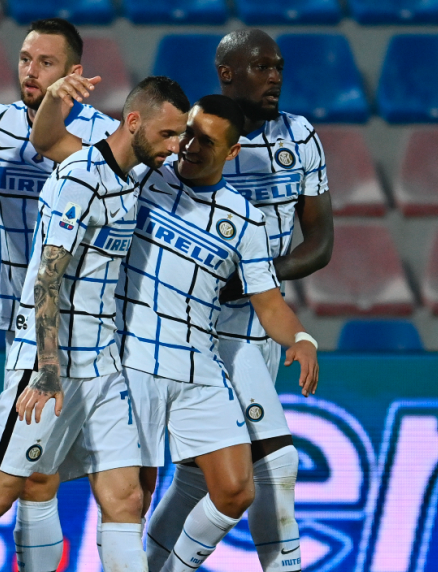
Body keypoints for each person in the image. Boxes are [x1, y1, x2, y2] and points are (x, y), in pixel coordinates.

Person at [0, 76, 188, 572]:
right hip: (49, 365)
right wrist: (47, 367)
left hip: (104, 368)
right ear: (134, 123)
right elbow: (46, 278)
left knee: (126, 499)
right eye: (168, 135)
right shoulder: (78, 179)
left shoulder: (129, 181)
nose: (174, 149)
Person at [140, 29, 333, 572]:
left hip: (263, 324)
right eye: (262, 66)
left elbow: (320, 242)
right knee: (278, 463)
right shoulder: (196, 134)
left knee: (199, 478)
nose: (275, 76)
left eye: (279, 66)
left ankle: (150, 565)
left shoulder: (302, 136)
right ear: (228, 71)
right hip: (206, 330)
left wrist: (259, 278)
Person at [0, 18, 119, 570]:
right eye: (26, 59)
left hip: (92, 329)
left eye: (47, 63)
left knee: (118, 481)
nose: (31, 72)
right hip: (24, 325)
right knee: (35, 474)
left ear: (75, 74)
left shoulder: (104, 139)